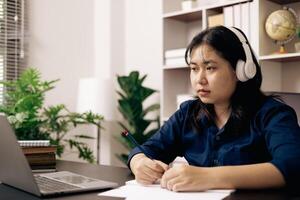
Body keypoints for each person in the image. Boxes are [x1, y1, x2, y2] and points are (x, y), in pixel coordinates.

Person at [127, 26, 300, 192]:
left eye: (210, 68)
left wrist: (208, 177)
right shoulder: (188, 113)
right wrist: (139, 162)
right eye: (194, 69)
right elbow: (147, 149)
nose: (199, 79)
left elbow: (293, 165)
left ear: (241, 70)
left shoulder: (273, 114)